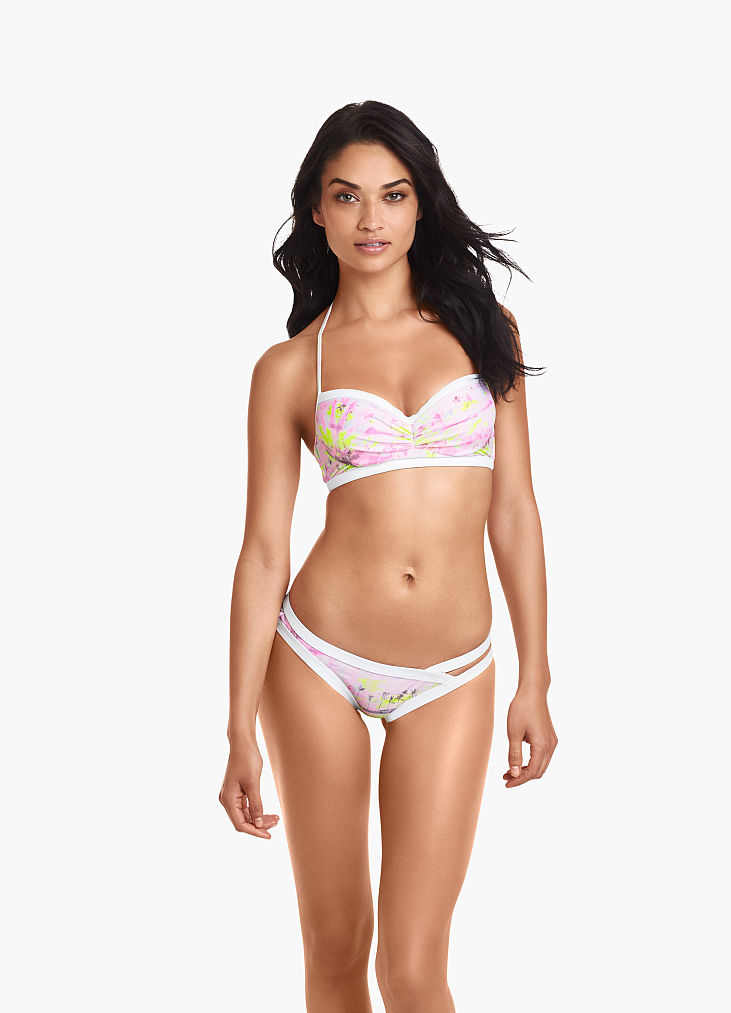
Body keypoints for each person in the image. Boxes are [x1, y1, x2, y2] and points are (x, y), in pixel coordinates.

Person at [219, 100, 558, 1013]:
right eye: (347, 196)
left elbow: (515, 511)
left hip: (453, 670)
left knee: (412, 970)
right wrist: (238, 724)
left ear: (419, 204)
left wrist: (536, 677)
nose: (371, 218)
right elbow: (263, 551)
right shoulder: (290, 368)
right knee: (336, 950)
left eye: (393, 194)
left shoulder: (488, 331)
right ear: (317, 210)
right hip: (316, 659)